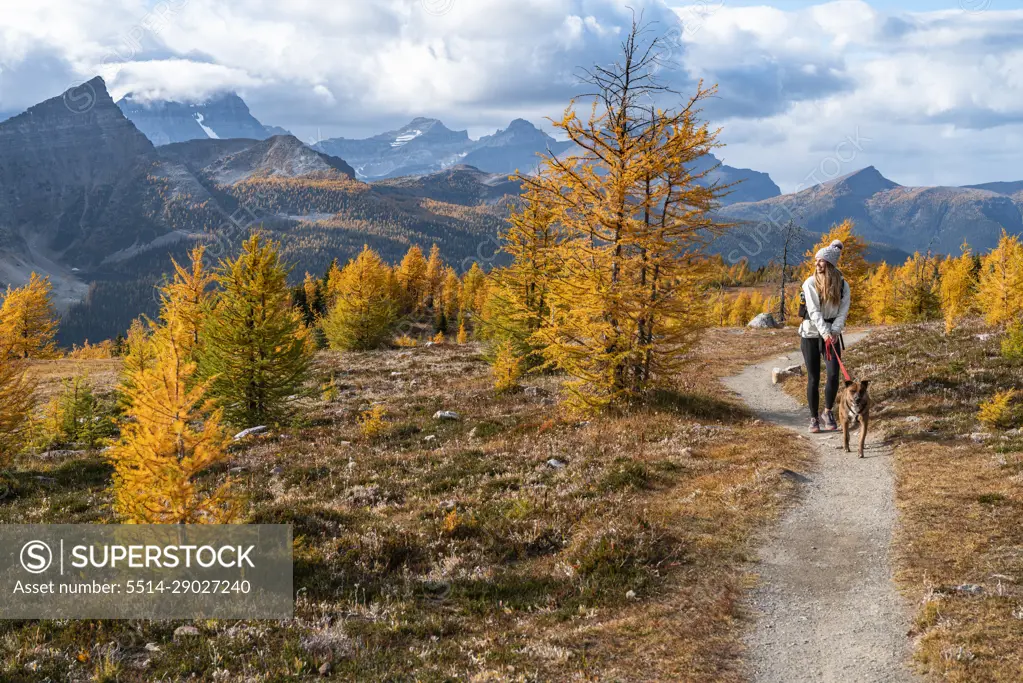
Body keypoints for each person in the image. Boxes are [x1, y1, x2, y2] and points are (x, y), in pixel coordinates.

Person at [799, 240, 851, 433]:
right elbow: (813, 311)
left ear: (830, 264)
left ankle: (827, 411)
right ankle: (813, 418)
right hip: (811, 333)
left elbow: (842, 312)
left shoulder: (843, 285)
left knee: (833, 375)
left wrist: (835, 332)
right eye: (816, 261)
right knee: (813, 377)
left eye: (821, 261)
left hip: (832, 335)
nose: (817, 264)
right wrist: (826, 332)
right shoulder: (810, 283)